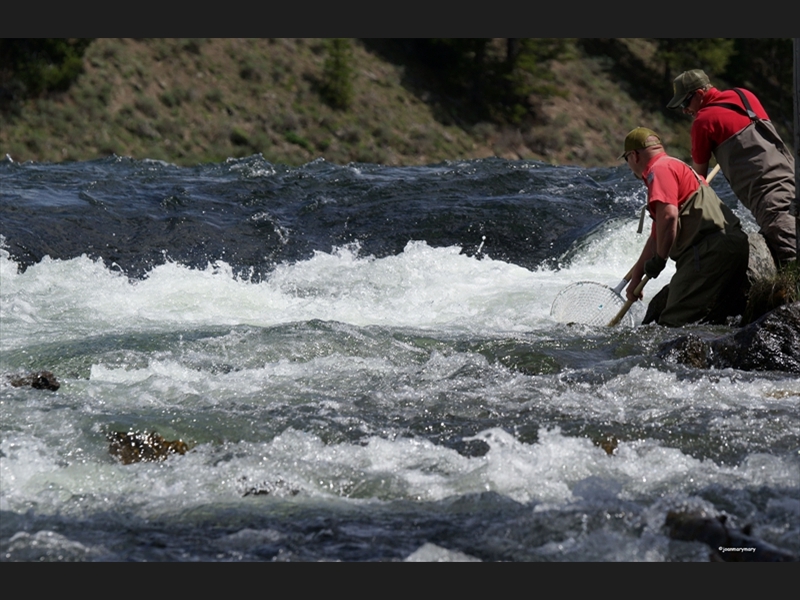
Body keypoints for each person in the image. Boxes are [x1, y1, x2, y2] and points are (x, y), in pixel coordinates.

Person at [621, 127, 749, 327]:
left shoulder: (658, 170)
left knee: (672, 326)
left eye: (626, 159)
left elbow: (669, 217)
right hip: (734, 245)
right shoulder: (679, 167)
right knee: (720, 322)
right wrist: (636, 277)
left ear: (634, 156)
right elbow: (657, 236)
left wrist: (660, 260)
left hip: (707, 252)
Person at [667, 69, 797, 266]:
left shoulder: (703, 122)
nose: (685, 110)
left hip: (770, 197)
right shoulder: (744, 95)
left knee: (792, 263)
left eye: (685, 103)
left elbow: (697, 180)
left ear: (700, 94)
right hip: (793, 177)